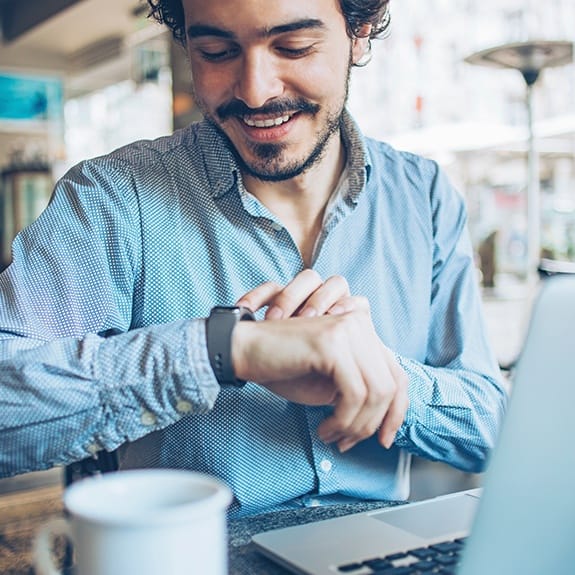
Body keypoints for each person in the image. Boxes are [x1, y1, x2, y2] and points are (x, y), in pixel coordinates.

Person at [0, 0, 507, 517]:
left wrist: (381, 375)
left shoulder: (424, 195)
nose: (255, 91)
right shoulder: (113, 198)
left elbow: (491, 425)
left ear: (360, 32)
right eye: (217, 52)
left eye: (293, 47)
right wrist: (225, 349)